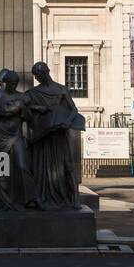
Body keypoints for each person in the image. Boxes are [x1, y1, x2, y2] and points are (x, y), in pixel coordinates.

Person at [24, 61, 86, 209]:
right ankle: (41, 196)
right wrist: (36, 107)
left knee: (67, 166)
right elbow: (24, 108)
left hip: (59, 135)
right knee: (41, 167)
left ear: (47, 72)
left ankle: (73, 198)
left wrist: (67, 122)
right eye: (36, 76)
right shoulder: (33, 93)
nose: (38, 78)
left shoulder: (61, 90)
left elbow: (73, 110)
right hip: (43, 136)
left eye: (39, 75)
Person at [0, 68, 36, 210]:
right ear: (4, 83)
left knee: (23, 166)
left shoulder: (22, 97)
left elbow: (29, 118)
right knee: (2, 173)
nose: (12, 86)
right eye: (9, 83)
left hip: (15, 138)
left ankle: (30, 199)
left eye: (15, 83)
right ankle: (5, 202)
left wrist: (23, 109)